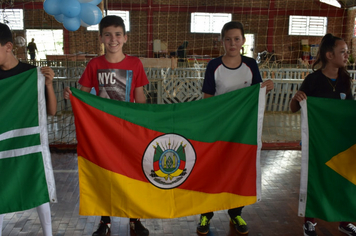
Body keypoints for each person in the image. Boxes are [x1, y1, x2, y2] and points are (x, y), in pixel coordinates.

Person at [63, 15, 149, 236]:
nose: (113, 39)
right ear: (101, 38)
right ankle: (105, 220)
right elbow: (81, 95)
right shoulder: (95, 64)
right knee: (103, 173)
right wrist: (71, 96)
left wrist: (146, 122)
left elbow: (140, 98)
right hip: (101, 131)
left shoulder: (135, 64)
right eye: (108, 35)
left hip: (129, 128)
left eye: (118, 34)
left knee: (132, 171)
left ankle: (135, 218)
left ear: (125, 38)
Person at [196, 21, 274, 235]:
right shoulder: (214, 65)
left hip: (242, 129)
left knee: (239, 169)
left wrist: (265, 88)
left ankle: (236, 213)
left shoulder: (250, 65)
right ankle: (205, 214)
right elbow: (208, 99)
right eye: (228, 39)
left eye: (236, 39)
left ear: (243, 41)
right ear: (222, 41)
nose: (232, 43)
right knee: (212, 169)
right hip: (218, 128)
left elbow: (255, 95)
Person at [290, 33, 356, 236]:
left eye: (347, 52)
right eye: (342, 52)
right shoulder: (313, 80)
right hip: (318, 142)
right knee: (315, 178)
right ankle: (310, 221)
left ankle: (345, 221)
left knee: (343, 179)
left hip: (340, 141)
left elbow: (349, 109)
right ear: (329, 55)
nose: (347, 55)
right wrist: (297, 98)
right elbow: (294, 108)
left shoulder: (346, 79)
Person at [0, 23, 57, 236]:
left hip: (28, 141)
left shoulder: (32, 74)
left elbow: (51, 111)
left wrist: (49, 85)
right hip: (2, 143)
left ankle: (48, 233)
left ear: (8, 46)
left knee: (37, 183)